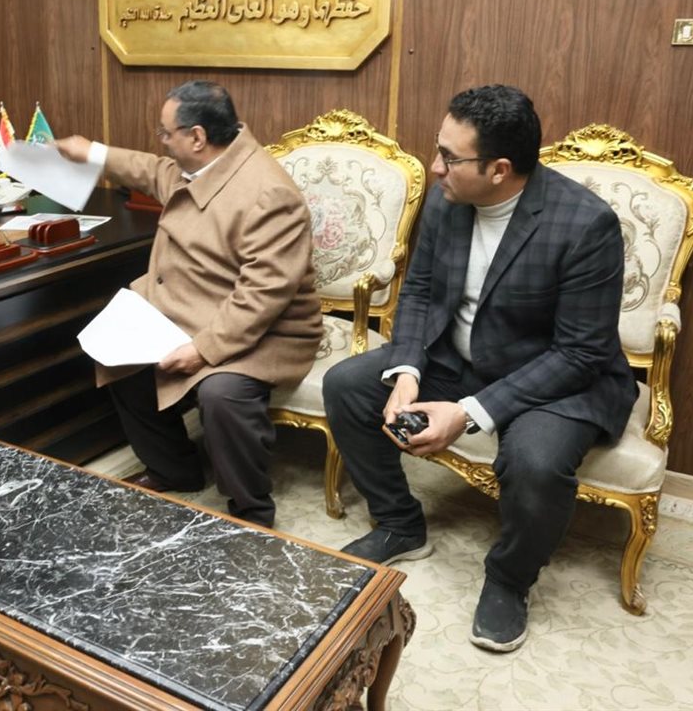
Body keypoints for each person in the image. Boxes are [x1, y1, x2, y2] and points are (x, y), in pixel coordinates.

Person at [322, 85, 636, 652]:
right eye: (437, 148)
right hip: (458, 358)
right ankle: (400, 524)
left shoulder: (586, 224)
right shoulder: (448, 200)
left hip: (555, 381)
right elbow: (419, 292)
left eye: (450, 157)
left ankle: (509, 580)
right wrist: (407, 371)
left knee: (537, 463)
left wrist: (468, 413)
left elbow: (580, 353)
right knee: (347, 385)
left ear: (499, 170)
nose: (434, 167)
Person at [54, 80, 323, 527]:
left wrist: (202, 350)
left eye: (166, 133)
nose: (161, 141)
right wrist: (90, 152)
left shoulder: (269, 194)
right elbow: (150, 169)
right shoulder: (203, 166)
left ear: (197, 136)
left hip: (267, 330)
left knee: (222, 394)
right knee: (116, 351)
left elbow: (263, 295)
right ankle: (174, 469)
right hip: (190, 309)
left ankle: (250, 510)